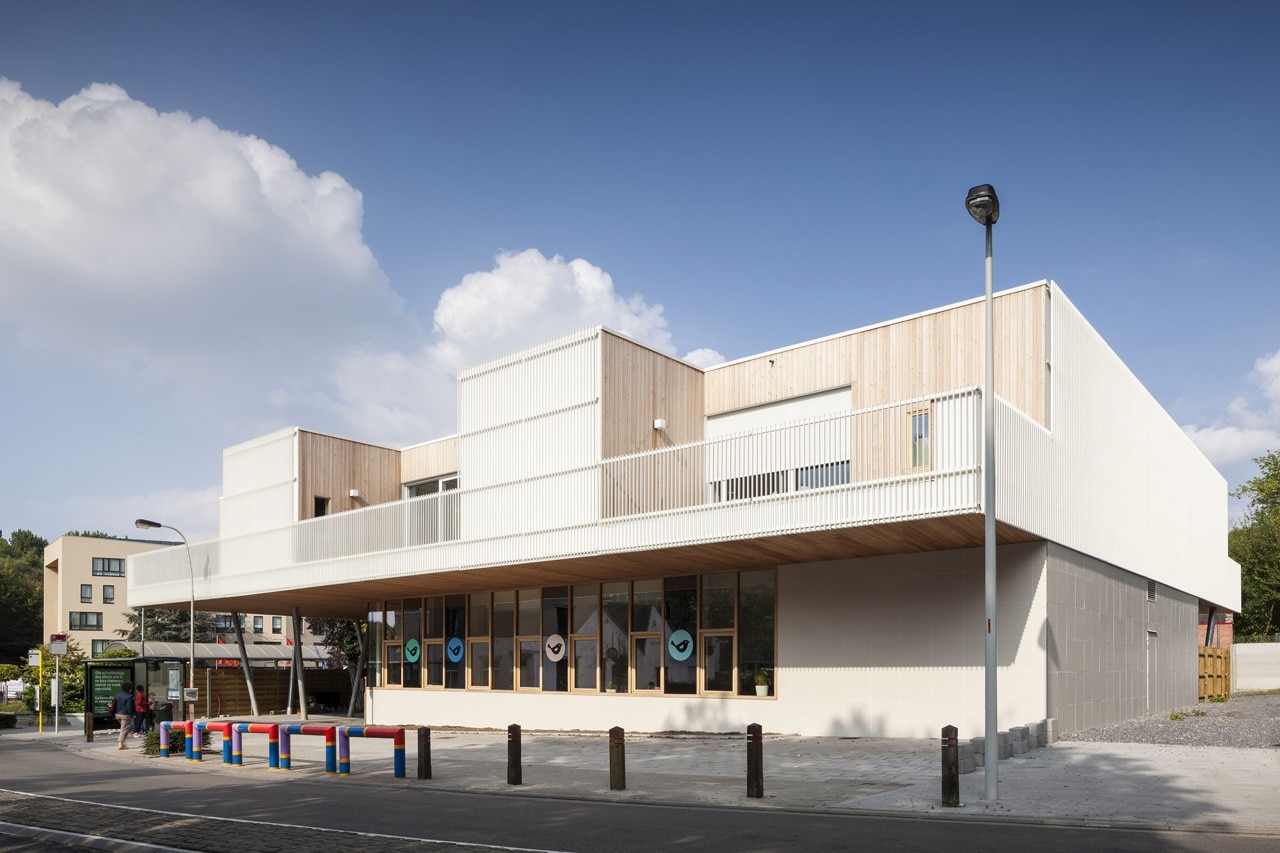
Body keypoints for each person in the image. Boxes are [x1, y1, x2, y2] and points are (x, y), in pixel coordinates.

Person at [113, 682, 134, 750]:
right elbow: (129, 707)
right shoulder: (129, 696)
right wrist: (132, 714)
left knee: (123, 729)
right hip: (125, 715)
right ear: (130, 688)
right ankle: (120, 744)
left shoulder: (118, 695)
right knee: (124, 730)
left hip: (117, 714)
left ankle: (124, 744)